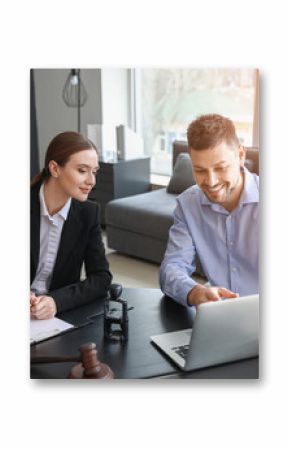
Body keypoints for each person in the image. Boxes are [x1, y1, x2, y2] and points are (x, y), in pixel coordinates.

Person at [160, 114, 259, 308]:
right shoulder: (188, 205)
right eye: (200, 170)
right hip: (219, 317)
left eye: (220, 168)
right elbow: (172, 268)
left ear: (240, 155)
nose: (211, 182)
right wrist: (194, 292)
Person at [30, 131, 112, 319]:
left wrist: (57, 301)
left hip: (55, 319)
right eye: (82, 171)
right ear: (55, 169)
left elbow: (101, 278)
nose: (91, 181)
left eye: (94, 172)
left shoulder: (88, 213)